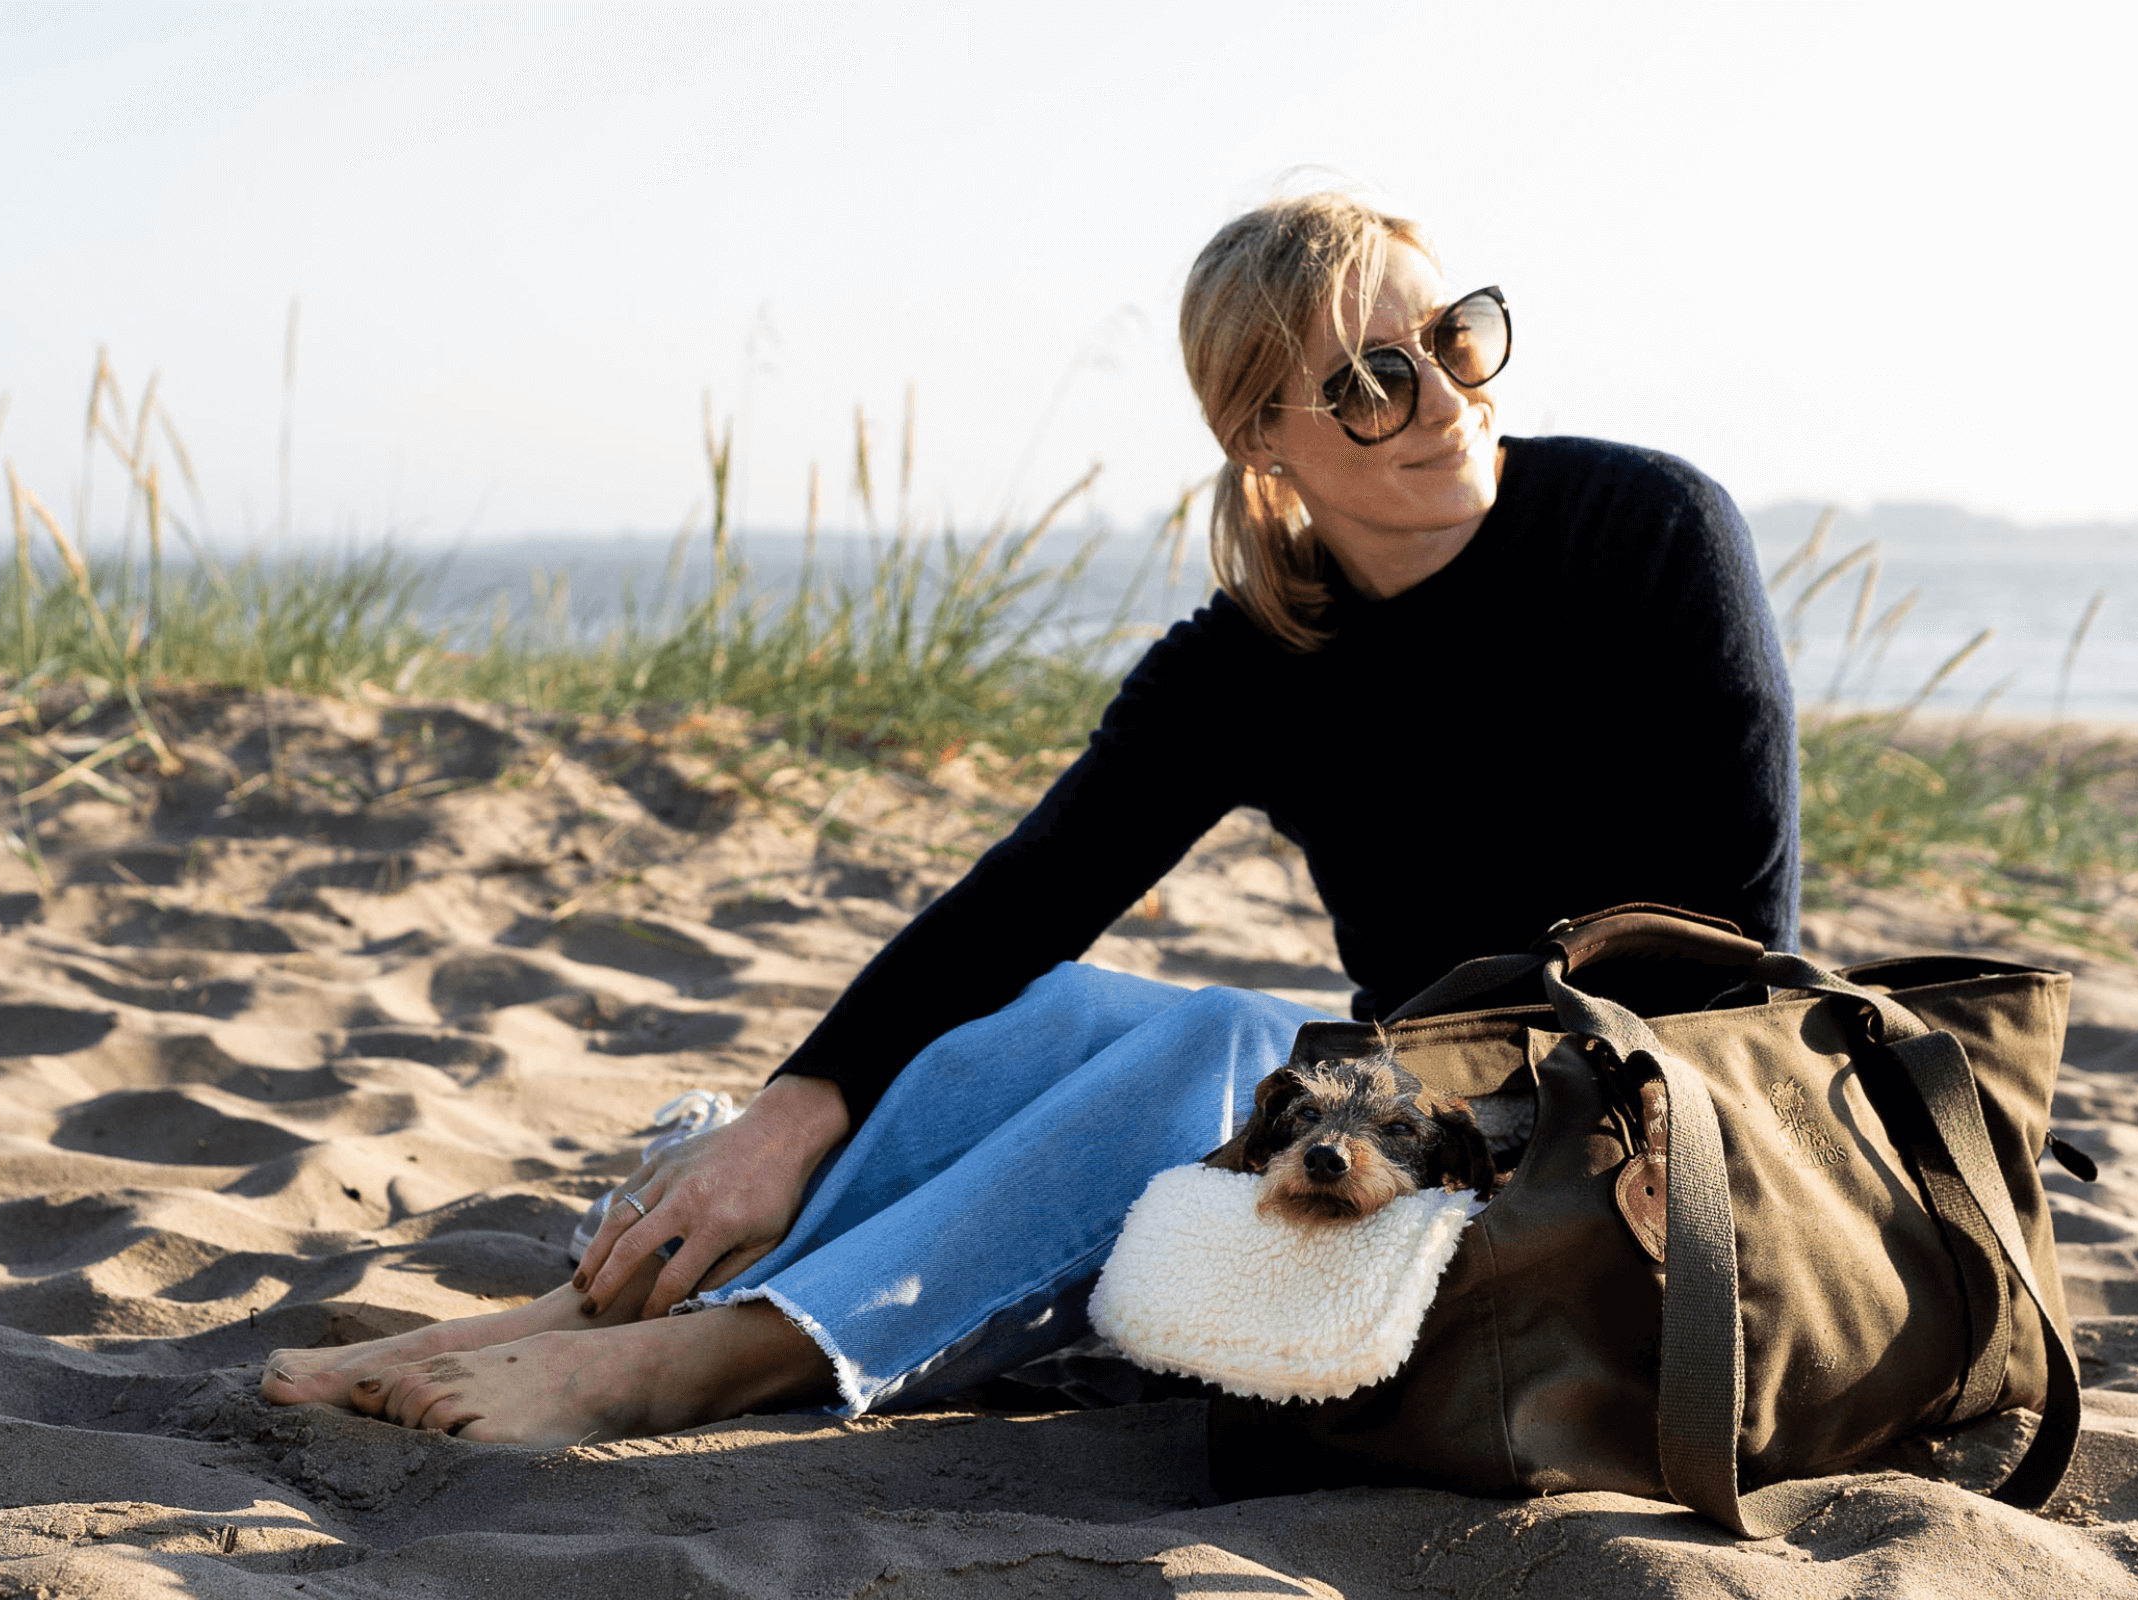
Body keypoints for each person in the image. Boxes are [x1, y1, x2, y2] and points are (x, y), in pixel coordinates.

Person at [258, 189, 1798, 1444]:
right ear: (1263, 435)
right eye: (1366, 377)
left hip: (1631, 1144)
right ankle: (611, 1309)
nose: (1438, 396)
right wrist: (790, 1120)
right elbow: (1024, 901)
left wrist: (1472, 1094)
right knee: (1067, 1010)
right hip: (1402, 1133)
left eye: (1454, 339)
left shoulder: (1646, 531)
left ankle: (736, 1357)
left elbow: (1737, 955)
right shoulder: (1255, 658)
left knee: (1226, 1046)